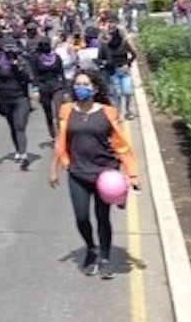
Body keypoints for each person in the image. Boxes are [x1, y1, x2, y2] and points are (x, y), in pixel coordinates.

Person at [49, 71, 139, 279]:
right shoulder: (66, 110)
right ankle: (91, 248)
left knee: (102, 217)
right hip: (78, 172)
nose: (81, 88)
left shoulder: (109, 112)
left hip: (105, 173)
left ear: (95, 88)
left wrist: (132, 174)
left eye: (86, 84)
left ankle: (105, 259)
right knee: (81, 217)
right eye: (78, 84)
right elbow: (60, 141)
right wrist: (54, 169)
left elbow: (121, 146)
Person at [0, 41, 34, 169]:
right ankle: (18, 150)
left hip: (21, 98)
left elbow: (30, 78)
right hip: (6, 99)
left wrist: (18, 69)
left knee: (20, 126)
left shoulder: (22, 62)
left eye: (13, 53)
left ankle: (24, 155)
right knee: (13, 126)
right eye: (8, 53)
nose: (11, 56)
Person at [31, 36, 68, 142]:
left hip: (57, 86)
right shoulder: (35, 58)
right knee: (48, 112)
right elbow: (34, 75)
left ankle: (61, 134)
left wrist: (65, 89)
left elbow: (62, 73)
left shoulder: (56, 57)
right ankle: (53, 133)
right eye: (44, 45)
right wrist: (35, 90)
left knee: (59, 111)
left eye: (48, 44)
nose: (47, 47)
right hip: (43, 87)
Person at [99, 26, 137, 120]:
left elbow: (134, 54)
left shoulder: (124, 44)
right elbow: (99, 58)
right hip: (112, 72)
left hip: (124, 71)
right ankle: (118, 112)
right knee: (117, 94)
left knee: (128, 91)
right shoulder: (104, 46)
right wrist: (105, 63)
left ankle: (128, 110)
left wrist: (128, 63)